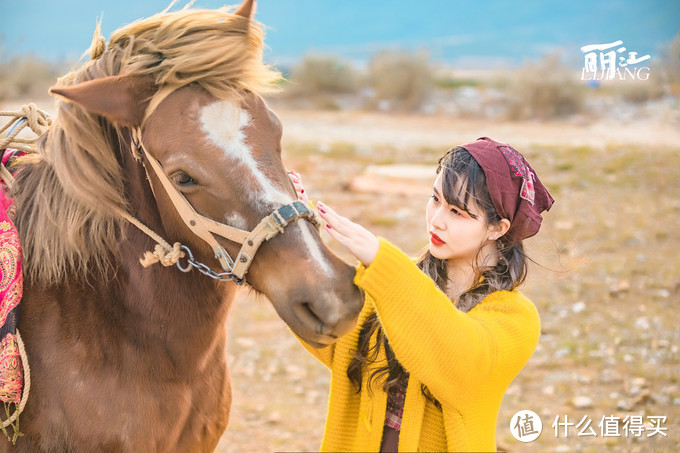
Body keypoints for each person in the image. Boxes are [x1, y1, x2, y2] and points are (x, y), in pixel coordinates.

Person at [288, 137, 554, 452]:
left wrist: (384, 264)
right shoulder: (396, 282)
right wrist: (294, 233)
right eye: (435, 199)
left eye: (457, 211)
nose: (437, 219)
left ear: (497, 228)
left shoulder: (516, 319)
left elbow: (456, 358)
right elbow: (330, 328)